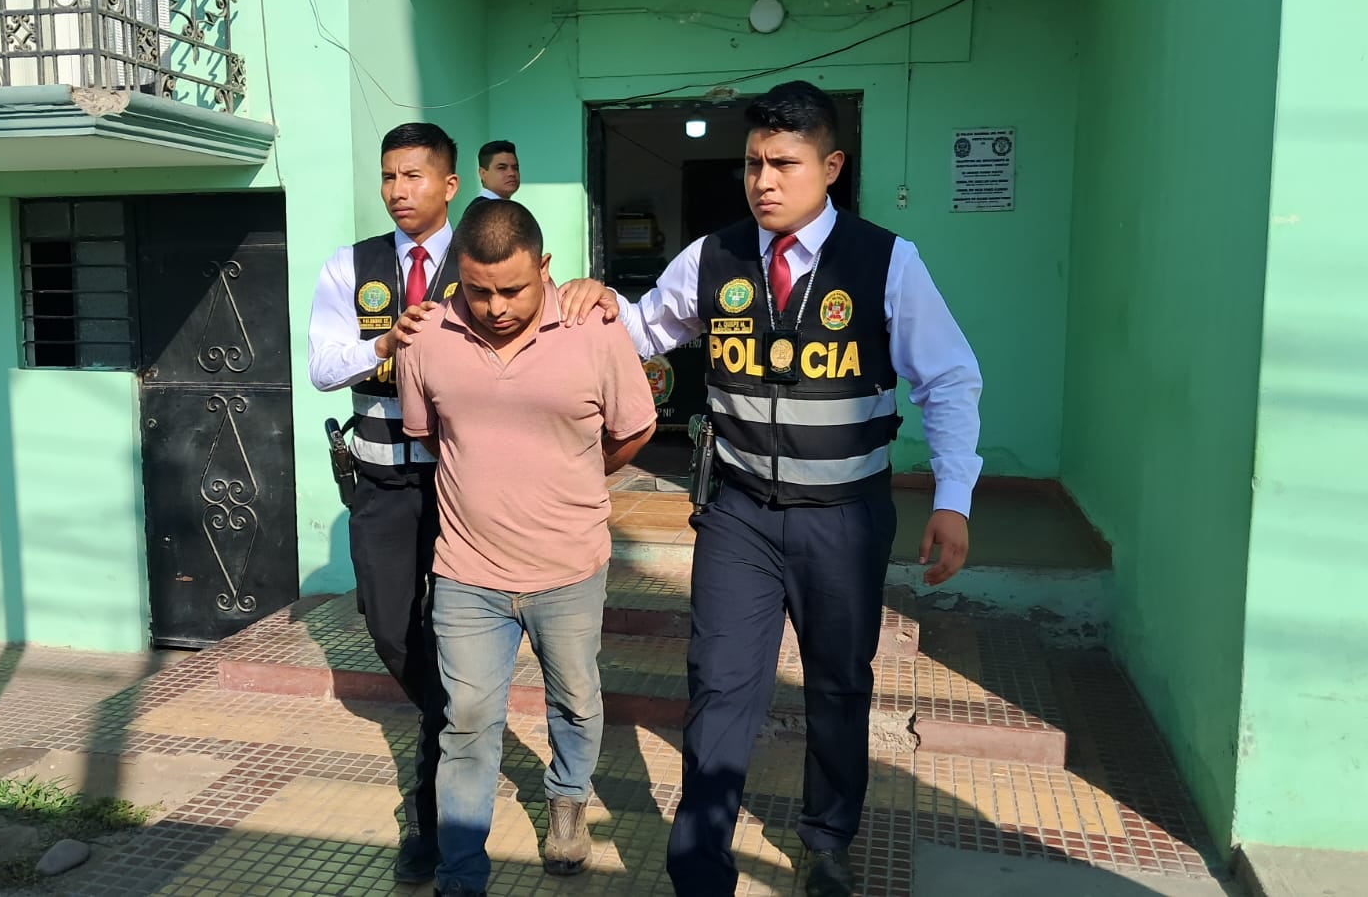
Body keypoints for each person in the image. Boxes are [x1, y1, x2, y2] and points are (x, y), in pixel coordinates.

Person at [562, 80, 985, 897]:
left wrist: (952, 499)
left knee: (839, 684)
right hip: (739, 515)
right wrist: (595, 301)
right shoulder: (712, 257)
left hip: (846, 519)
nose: (763, 180)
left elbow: (949, 380)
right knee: (720, 685)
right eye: (754, 163)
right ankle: (700, 866)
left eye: (784, 163)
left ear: (831, 166)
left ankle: (827, 843)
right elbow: (644, 329)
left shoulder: (886, 262)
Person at [395, 199, 658, 897]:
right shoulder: (427, 336)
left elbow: (635, 427)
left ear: (544, 266)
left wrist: (578, 476)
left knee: (576, 700)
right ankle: (460, 875)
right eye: (478, 290)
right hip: (467, 571)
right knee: (466, 720)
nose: (495, 307)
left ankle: (567, 800)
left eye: (512, 289)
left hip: (568, 567)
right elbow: (432, 436)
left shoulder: (593, 328)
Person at [306, 121, 463, 884]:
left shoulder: (482, 259)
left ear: (449, 185)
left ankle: (430, 806)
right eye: (389, 176)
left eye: (414, 176)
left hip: (463, 484)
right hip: (381, 485)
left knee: (458, 631)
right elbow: (322, 367)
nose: (398, 190)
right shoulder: (352, 266)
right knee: (389, 627)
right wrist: (382, 345)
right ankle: (450, 719)